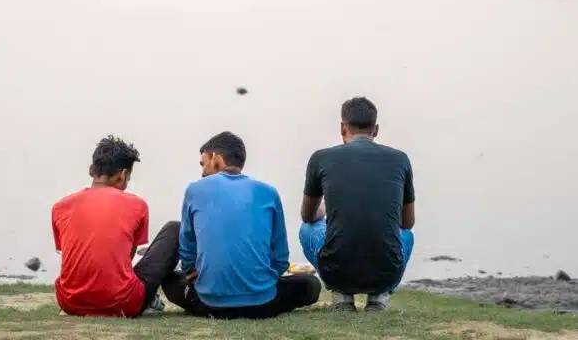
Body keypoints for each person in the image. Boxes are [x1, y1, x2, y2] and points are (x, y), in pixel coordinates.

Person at [164, 131, 321, 319]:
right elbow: (280, 259)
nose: (202, 172)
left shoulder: (194, 190)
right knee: (311, 284)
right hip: (262, 304)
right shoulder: (269, 193)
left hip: (209, 303)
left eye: (203, 163)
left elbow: (188, 253)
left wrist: (192, 273)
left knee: (169, 280)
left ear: (216, 159)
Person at [299, 97, 415, 312]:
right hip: (387, 271)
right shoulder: (400, 159)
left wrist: (326, 209)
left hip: (336, 270)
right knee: (407, 235)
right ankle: (378, 296)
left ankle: (342, 294)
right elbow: (407, 222)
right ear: (376, 129)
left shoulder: (320, 158)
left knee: (308, 230)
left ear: (343, 128)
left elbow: (307, 216)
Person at [52, 135, 179, 317]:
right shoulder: (137, 205)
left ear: (91, 170)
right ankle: (151, 299)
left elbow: (70, 254)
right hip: (123, 303)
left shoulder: (60, 207)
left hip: (70, 302)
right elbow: (127, 258)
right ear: (123, 175)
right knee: (174, 230)